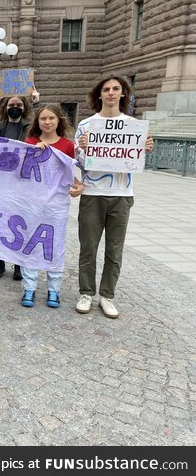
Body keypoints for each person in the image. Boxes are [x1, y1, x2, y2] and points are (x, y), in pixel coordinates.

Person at [74, 76, 154, 319]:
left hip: (121, 194)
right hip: (93, 194)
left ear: (122, 94)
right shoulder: (86, 125)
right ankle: (86, 292)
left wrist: (145, 149)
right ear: (99, 94)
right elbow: (80, 163)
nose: (110, 93)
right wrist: (83, 150)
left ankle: (107, 296)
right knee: (88, 247)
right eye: (106, 89)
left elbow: (134, 162)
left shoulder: (133, 126)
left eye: (115, 89)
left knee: (115, 250)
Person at [20, 105, 84, 308]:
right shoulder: (30, 143)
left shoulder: (67, 145)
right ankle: (29, 288)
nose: (47, 122)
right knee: (30, 244)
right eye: (43, 119)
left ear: (59, 121)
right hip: (33, 202)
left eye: (51, 118)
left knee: (54, 245)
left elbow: (68, 173)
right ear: (37, 122)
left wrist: (78, 185)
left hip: (56, 205)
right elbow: (20, 171)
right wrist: (32, 154)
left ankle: (53, 290)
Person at [0, 89, 39, 281]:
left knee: (20, 222)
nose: (15, 108)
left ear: (24, 108)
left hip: (22, 181)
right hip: (1, 180)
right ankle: (0, 261)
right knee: (1, 221)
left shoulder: (29, 126)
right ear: (6, 107)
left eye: (19, 106)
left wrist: (36, 104)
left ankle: (19, 264)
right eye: (11, 105)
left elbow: (43, 124)